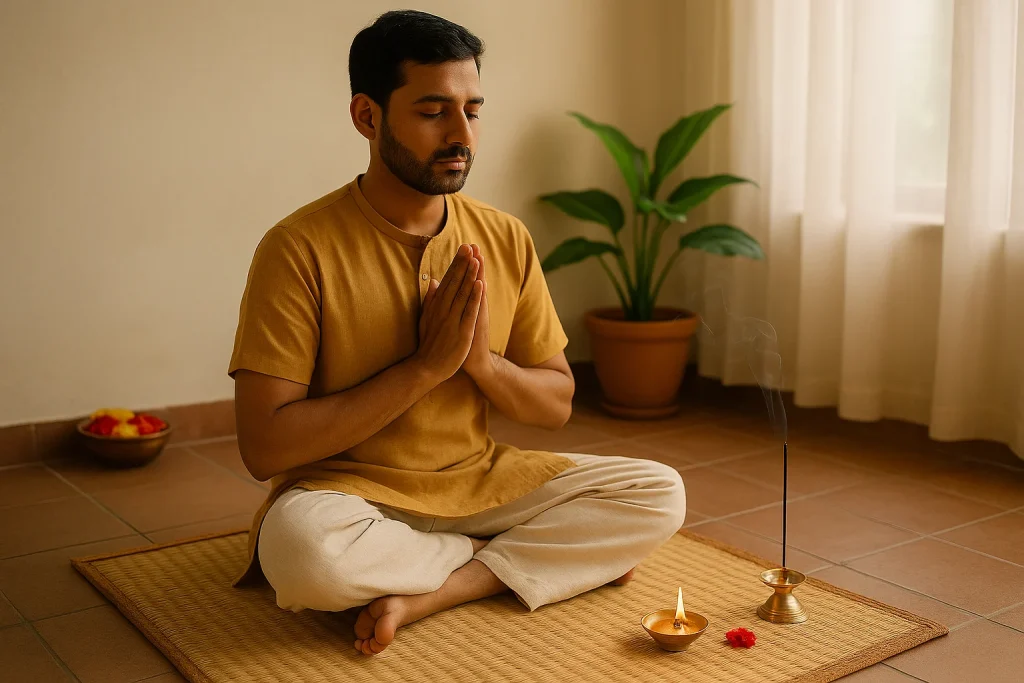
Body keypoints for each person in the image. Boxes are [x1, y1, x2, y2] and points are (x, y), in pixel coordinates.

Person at [228, 9, 686, 656]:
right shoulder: (298, 248)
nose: (461, 134)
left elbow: (555, 405)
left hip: (480, 480)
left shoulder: (502, 236)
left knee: (660, 492)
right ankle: (500, 558)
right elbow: (265, 447)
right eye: (433, 110)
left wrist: (481, 365)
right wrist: (422, 368)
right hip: (347, 493)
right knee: (304, 554)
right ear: (367, 116)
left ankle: (444, 584)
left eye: (473, 110)